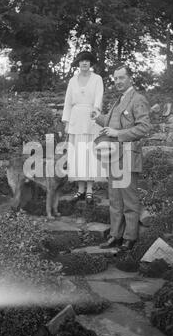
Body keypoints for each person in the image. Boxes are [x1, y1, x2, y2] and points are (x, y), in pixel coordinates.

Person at [91, 64, 151, 250]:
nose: (117, 82)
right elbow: (110, 123)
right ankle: (115, 236)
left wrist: (117, 134)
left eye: (121, 78)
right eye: (115, 79)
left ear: (130, 78)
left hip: (127, 155)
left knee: (129, 200)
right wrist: (98, 117)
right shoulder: (118, 101)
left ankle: (130, 238)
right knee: (115, 198)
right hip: (113, 155)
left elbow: (144, 127)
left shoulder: (138, 99)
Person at [62, 51, 104, 204]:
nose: (84, 63)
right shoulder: (72, 80)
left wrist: (96, 111)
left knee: (90, 154)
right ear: (78, 64)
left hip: (91, 119)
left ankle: (90, 190)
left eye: (87, 61)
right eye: (81, 61)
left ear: (90, 63)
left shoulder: (97, 79)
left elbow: (99, 97)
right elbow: (67, 101)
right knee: (77, 154)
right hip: (75, 119)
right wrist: (66, 121)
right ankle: (80, 189)